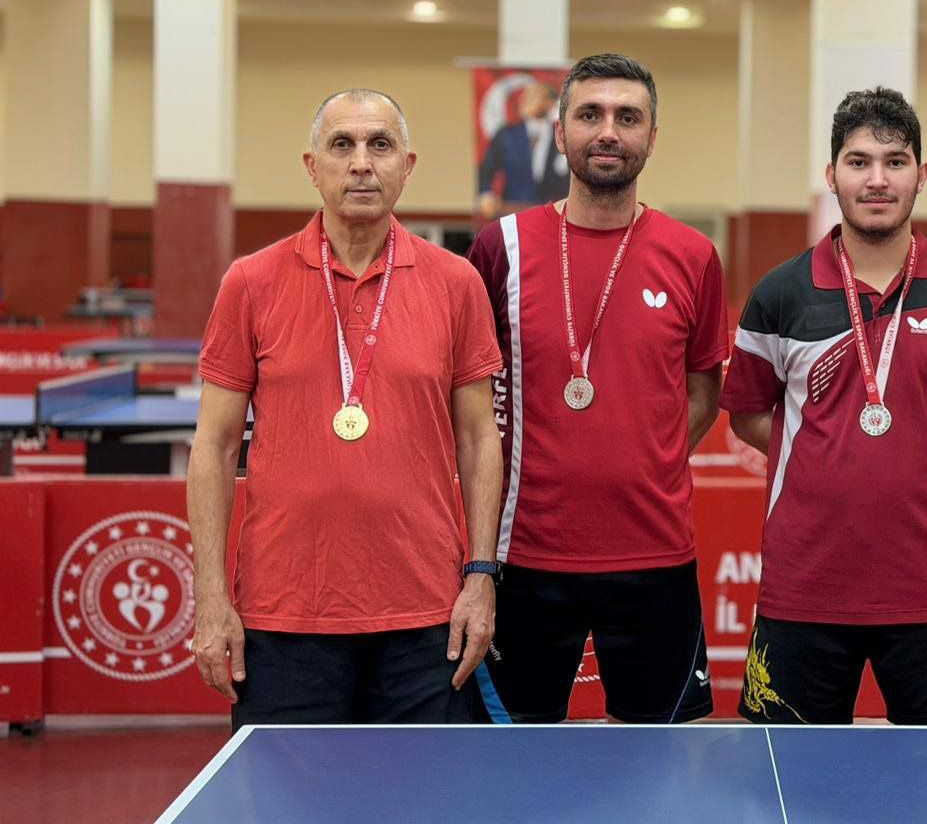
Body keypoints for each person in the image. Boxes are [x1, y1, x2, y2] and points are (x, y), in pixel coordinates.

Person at [188, 88, 505, 726]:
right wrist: (212, 597)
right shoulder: (251, 282)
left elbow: (480, 439)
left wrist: (480, 577)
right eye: (343, 145)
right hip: (283, 615)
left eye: (380, 145)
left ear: (406, 166)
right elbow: (215, 447)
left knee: (422, 789)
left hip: (426, 616)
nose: (362, 162)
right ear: (313, 167)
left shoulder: (456, 283)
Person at [721, 87, 927, 725]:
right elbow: (748, 415)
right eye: (859, 162)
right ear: (831, 174)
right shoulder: (779, 294)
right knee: (792, 775)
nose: (878, 179)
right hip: (804, 588)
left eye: (895, 161)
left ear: (922, 173)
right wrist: (817, 457)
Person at [467, 53, 728, 723]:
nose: (608, 131)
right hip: (523, 555)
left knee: (658, 764)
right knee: (515, 762)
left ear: (651, 137)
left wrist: (647, 456)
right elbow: (469, 401)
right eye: (590, 114)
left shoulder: (693, 255)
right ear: (560, 133)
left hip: (655, 554)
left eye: (627, 117)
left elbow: (702, 389)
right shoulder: (499, 247)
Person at [477, 77, 568, 217]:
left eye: (535, 96)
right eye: (526, 96)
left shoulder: (561, 135)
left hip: (549, 213)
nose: (525, 100)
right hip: (512, 211)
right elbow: (486, 168)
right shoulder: (506, 135)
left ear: (550, 103)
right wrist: (486, 194)